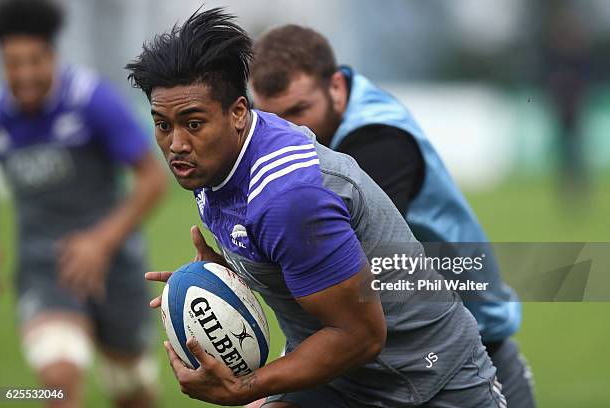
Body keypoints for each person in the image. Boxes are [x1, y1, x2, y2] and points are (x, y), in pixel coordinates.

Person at [128, 8, 506, 407]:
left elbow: (361, 336)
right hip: (340, 378)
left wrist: (244, 388)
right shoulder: (214, 162)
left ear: (238, 112)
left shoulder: (287, 198)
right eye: (163, 125)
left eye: (193, 123)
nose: (176, 144)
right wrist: (228, 273)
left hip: (424, 380)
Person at [250, 25, 535, 408]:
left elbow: (350, 270)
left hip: (466, 348)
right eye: (272, 117)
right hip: (401, 344)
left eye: (299, 111)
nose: (287, 129)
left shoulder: (378, 141)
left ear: (336, 87)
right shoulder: (312, 140)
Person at [0, 1, 167, 407]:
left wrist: (101, 241)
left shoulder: (91, 101)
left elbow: (152, 179)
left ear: (53, 56)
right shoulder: (3, 115)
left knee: (132, 392)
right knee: (58, 382)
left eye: (34, 61)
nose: (24, 75)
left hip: (115, 266)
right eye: (12, 64)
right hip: (44, 267)